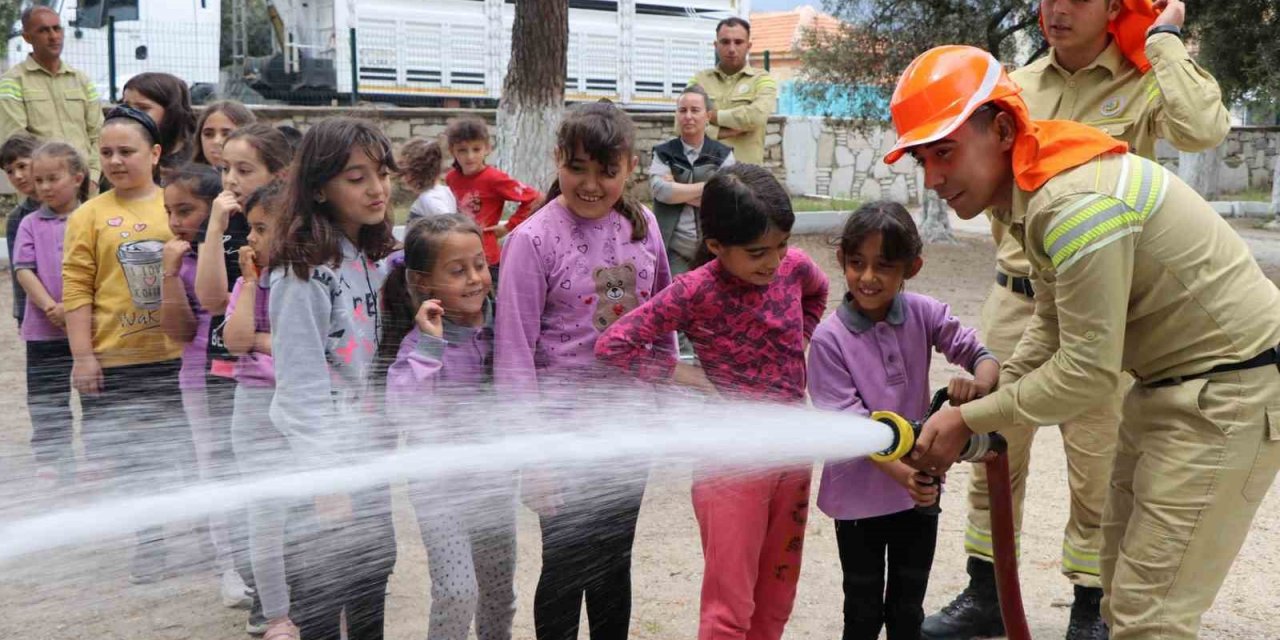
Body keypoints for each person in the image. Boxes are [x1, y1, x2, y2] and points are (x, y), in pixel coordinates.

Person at [888, 45, 1280, 640]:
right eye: (921, 159)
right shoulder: (1037, 183)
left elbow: (1087, 373)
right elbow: (1051, 320)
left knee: (1151, 619)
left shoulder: (1072, 203)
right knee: (1122, 596)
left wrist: (971, 418)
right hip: (1173, 387)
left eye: (944, 152)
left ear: (999, 129)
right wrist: (1002, 383)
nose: (933, 178)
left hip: (1228, 394)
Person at [594, 164, 827, 640]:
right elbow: (613, 345)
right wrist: (687, 375)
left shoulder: (795, 268)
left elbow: (818, 293)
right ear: (717, 246)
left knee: (776, 598)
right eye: (758, 252)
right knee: (730, 611)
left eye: (781, 245)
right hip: (730, 466)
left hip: (793, 457)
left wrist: (797, 343)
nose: (774, 261)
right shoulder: (695, 290)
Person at [494, 102, 674, 640]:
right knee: (568, 565)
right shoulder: (531, 240)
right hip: (560, 437)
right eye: (577, 168)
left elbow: (664, 318)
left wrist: (663, 402)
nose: (591, 185)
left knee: (615, 560)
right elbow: (513, 356)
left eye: (607, 171)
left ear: (631, 167)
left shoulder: (642, 229)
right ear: (557, 161)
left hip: (629, 431)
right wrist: (534, 456)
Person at [806, 202, 998, 640]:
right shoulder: (829, 340)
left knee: (909, 609)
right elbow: (851, 427)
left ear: (912, 267)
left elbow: (979, 355)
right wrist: (904, 474)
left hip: (919, 495)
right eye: (857, 264)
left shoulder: (924, 313)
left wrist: (978, 389)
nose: (868, 278)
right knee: (862, 608)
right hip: (859, 501)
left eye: (884, 266)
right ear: (842, 261)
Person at [268, 117, 400, 640]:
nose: (377, 188)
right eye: (357, 177)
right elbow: (298, 385)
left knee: (373, 573)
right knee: (323, 596)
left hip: (366, 447)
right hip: (320, 459)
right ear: (319, 188)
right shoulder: (302, 273)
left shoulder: (372, 256)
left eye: (383, 174)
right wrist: (324, 478)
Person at [61, 106, 189, 584]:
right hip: (117, 359)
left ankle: (207, 537)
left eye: (127, 151)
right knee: (136, 459)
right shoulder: (88, 216)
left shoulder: (174, 204)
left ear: (155, 154)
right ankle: (149, 542)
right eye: (107, 152)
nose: (116, 161)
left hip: (178, 357)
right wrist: (83, 356)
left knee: (182, 451)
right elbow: (77, 287)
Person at [384, 214, 517, 640]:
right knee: (458, 592)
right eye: (457, 271)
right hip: (440, 493)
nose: (475, 278)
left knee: (499, 593)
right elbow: (403, 410)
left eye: (480, 264)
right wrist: (430, 346)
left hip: (495, 487)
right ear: (423, 283)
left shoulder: (506, 327)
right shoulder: (421, 344)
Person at [159, 161, 258, 614]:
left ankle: (263, 563)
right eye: (170, 212)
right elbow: (179, 332)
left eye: (187, 210)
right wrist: (168, 275)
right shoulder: (178, 259)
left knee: (252, 466)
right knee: (215, 467)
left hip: (250, 372)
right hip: (201, 378)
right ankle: (230, 566)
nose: (178, 222)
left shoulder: (243, 247)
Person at [223, 183, 295, 640]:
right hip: (253, 407)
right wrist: (249, 283)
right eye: (251, 228)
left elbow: (323, 347)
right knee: (263, 518)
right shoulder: (250, 283)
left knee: (308, 519)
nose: (251, 239)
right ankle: (276, 616)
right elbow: (235, 341)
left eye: (262, 229)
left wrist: (266, 342)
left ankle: (315, 605)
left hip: (302, 408)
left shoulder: (317, 280)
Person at [14, 141, 88, 485]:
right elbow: (23, 268)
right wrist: (49, 306)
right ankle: (54, 460)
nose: (44, 187)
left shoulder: (92, 217)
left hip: (90, 325)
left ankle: (97, 456)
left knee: (93, 391)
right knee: (46, 395)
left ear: (77, 178)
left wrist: (74, 308)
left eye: (52, 178)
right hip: (43, 329)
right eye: (39, 179)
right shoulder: (29, 222)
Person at [0, 6, 103, 185]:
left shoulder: (81, 80)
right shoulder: (13, 81)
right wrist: (48, 182)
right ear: (27, 37)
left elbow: (99, 134)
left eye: (57, 28)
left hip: (85, 186)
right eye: (43, 30)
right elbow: (16, 141)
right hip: (41, 191)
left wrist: (93, 177)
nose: (53, 36)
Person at [444, 116, 542, 284]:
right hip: (460, 252)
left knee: (492, 302)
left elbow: (534, 198)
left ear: (487, 149)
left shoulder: (494, 178)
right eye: (462, 150)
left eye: (476, 149)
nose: (470, 156)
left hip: (488, 257)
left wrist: (508, 227)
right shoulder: (451, 178)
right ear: (452, 151)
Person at [649, 85, 735, 275]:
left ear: (708, 116)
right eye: (682, 110)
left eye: (695, 110)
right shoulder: (664, 152)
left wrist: (677, 191)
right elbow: (660, 190)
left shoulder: (723, 154)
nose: (688, 116)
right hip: (672, 249)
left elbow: (727, 197)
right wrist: (709, 187)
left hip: (714, 249)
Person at [688, 17, 777, 165]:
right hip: (704, 177)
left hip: (746, 178)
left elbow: (757, 116)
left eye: (738, 42)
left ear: (749, 46)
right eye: (725, 42)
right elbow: (681, 124)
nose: (731, 49)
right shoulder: (699, 80)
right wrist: (719, 132)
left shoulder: (762, 79)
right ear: (716, 45)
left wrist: (714, 116)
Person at [122, 72, 198, 177]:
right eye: (127, 108)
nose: (131, 115)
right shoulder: (117, 155)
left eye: (143, 108)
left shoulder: (198, 161)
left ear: (171, 112)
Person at [4, 133, 41, 327]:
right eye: (9, 171)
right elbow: (18, 271)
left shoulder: (75, 207)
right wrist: (22, 317)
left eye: (22, 166)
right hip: (38, 313)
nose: (17, 176)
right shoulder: (16, 219)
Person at [400, 137, 457, 219]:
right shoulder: (445, 191)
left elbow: (449, 227)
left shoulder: (429, 200)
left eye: (406, 171)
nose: (403, 178)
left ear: (418, 171)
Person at [191, 100, 256, 167]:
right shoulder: (186, 175)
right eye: (208, 134)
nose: (216, 141)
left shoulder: (262, 175)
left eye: (227, 134)